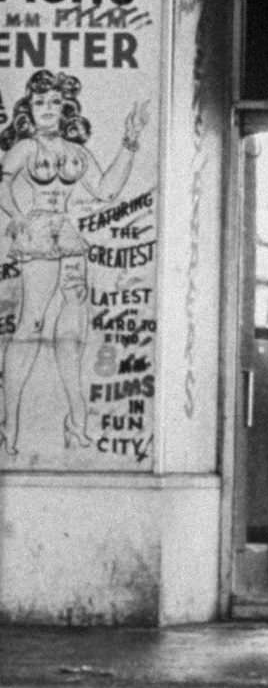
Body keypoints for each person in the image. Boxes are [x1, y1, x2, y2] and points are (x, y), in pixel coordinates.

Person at [0, 70, 149, 457]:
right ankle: (9, 426)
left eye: (53, 102)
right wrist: (16, 215)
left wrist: (129, 142)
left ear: (65, 107)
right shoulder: (25, 149)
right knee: (29, 326)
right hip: (37, 240)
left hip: (68, 241)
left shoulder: (76, 152)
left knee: (72, 332)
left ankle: (77, 423)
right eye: (39, 103)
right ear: (28, 110)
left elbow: (106, 190)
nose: (47, 109)